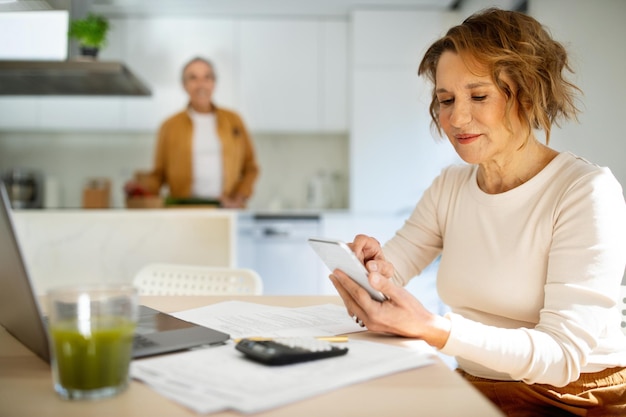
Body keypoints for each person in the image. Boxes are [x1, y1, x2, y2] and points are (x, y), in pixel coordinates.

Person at [330, 8, 626, 416]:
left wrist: (434, 329)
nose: (457, 118)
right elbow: (391, 270)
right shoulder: (450, 186)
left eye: (479, 96)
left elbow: (561, 356)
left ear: (527, 93)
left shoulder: (584, 192)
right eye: (446, 100)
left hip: (571, 398)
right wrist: (368, 271)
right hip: (476, 387)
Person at [128, 57, 259, 208]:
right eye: (193, 78)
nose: (201, 84)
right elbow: (158, 175)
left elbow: (250, 167)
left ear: (214, 83)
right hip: (183, 211)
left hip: (226, 209)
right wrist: (139, 190)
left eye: (207, 77)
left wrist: (239, 198)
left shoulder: (234, 121)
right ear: (184, 85)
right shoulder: (169, 126)